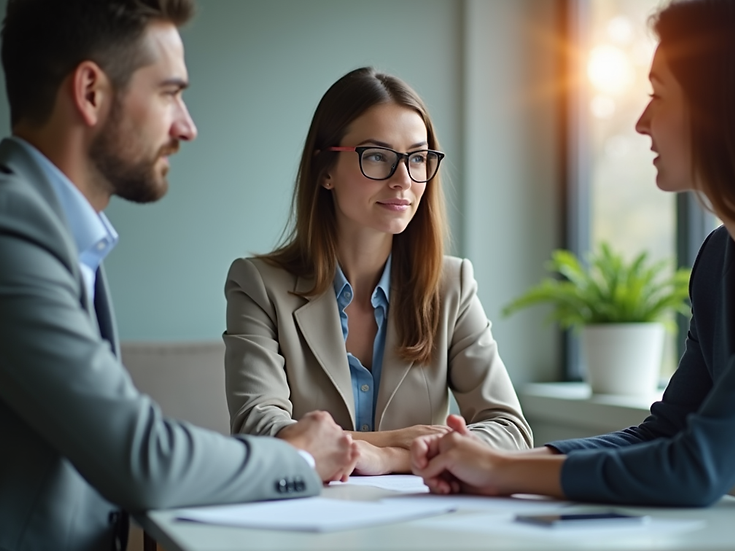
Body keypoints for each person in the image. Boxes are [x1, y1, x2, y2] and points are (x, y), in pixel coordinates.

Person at [410, 0, 735, 548]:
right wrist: (495, 461)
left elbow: (697, 468)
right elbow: (669, 431)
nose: (641, 121)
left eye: (659, 94)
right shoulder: (718, 260)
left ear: (725, 106)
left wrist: (502, 472)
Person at [0, 1, 360, 549]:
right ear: (91, 92)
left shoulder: (48, 232)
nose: (186, 126)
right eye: (170, 93)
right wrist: (298, 456)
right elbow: (140, 457)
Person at [223, 67, 533, 475]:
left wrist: (390, 456)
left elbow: (511, 430)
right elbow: (260, 433)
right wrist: (389, 440)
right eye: (377, 157)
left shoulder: (452, 286)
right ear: (326, 171)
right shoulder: (258, 285)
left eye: (418, 158)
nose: (403, 180)